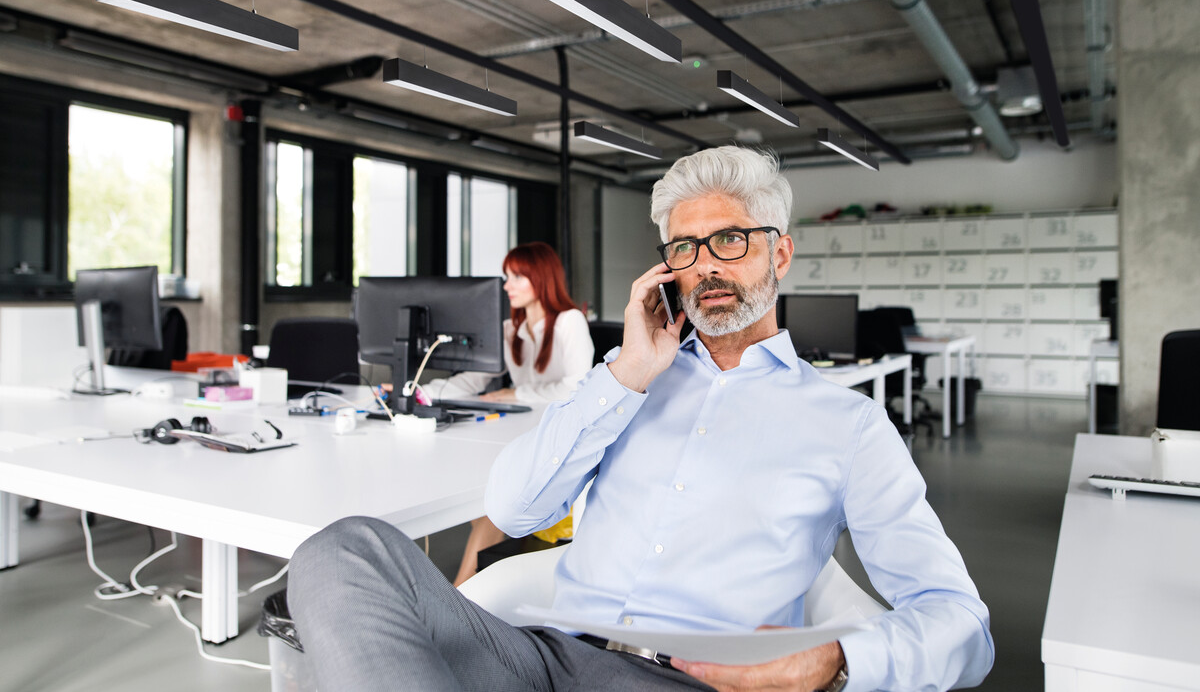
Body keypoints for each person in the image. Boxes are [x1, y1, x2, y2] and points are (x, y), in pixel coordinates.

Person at [289, 146, 994, 692]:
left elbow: (962, 623)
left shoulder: (848, 424)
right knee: (343, 550)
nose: (706, 266)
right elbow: (511, 508)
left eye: (730, 240)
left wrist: (833, 660)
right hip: (544, 654)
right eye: (685, 248)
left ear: (779, 252)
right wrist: (626, 374)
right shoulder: (624, 381)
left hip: (692, 677)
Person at [419, 242, 594, 585]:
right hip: (513, 432)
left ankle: (459, 595)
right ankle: (475, 587)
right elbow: (473, 380)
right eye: (506, 277)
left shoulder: (569, 321)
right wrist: (420, 391)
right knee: (480, 499)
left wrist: (516, 393)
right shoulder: (509, 329)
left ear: (541, 278)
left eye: (516, 277)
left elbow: (578, 387)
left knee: (490, 509)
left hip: (553, 439)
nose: (506, 286)